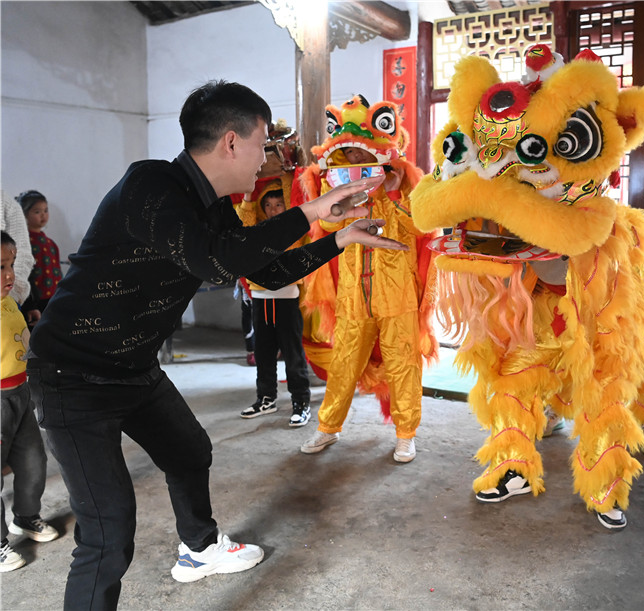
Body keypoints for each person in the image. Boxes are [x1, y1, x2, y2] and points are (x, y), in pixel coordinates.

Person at [25, 80, 406, 609]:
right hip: (73, 374)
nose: (266, 159)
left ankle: (199, 549)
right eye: (261, 145)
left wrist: (338, 239)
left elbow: (261, 269)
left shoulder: (214, 206)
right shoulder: (151, 185)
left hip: (133, 369)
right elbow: (215, 261)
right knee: (109, 535)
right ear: (231, 142)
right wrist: (313, 212)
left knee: (189, 450)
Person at [296, 95, 438, 464]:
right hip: (353, 299)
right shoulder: (341, 193)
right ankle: (328, 428)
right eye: (350, 159)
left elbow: (422, 226)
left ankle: (406, 435)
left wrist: (393, 193)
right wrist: (339, 203)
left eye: (363, 157)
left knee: (403, 365)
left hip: (398, 299)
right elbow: (324, 228)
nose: (357, 163)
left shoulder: (406, 190)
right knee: (343, 363)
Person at [1, 231, 60, 573]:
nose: (10, 274)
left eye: (10, 264)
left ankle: (25, 517)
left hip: (22, 394)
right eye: (0, 267)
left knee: (32, 461)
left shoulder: (9, 301)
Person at [236, 182, 313, 426]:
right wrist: (248, 194)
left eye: (278, 204)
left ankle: (301, 403)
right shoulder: (258, 231)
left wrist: (290, 176)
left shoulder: (294, 229)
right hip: (260, 300)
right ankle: (266, 398)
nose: (273, 210)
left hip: (287, 300)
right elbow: (243, 222)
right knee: (263, 353)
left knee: (293, 355)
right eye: (267, 205)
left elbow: (296, 202)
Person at [16, 190, 63, 314]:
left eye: (45, 210)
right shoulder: (23, 243)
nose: (43, 215)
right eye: (37, 212)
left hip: (55, 298)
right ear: (24, 215)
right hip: (34, 302)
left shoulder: (51, 244)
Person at [0, 190, 38, 323]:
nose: (10, 274)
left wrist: (29, 305)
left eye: (11, 266)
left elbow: (23, 258)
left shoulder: (6, 204)